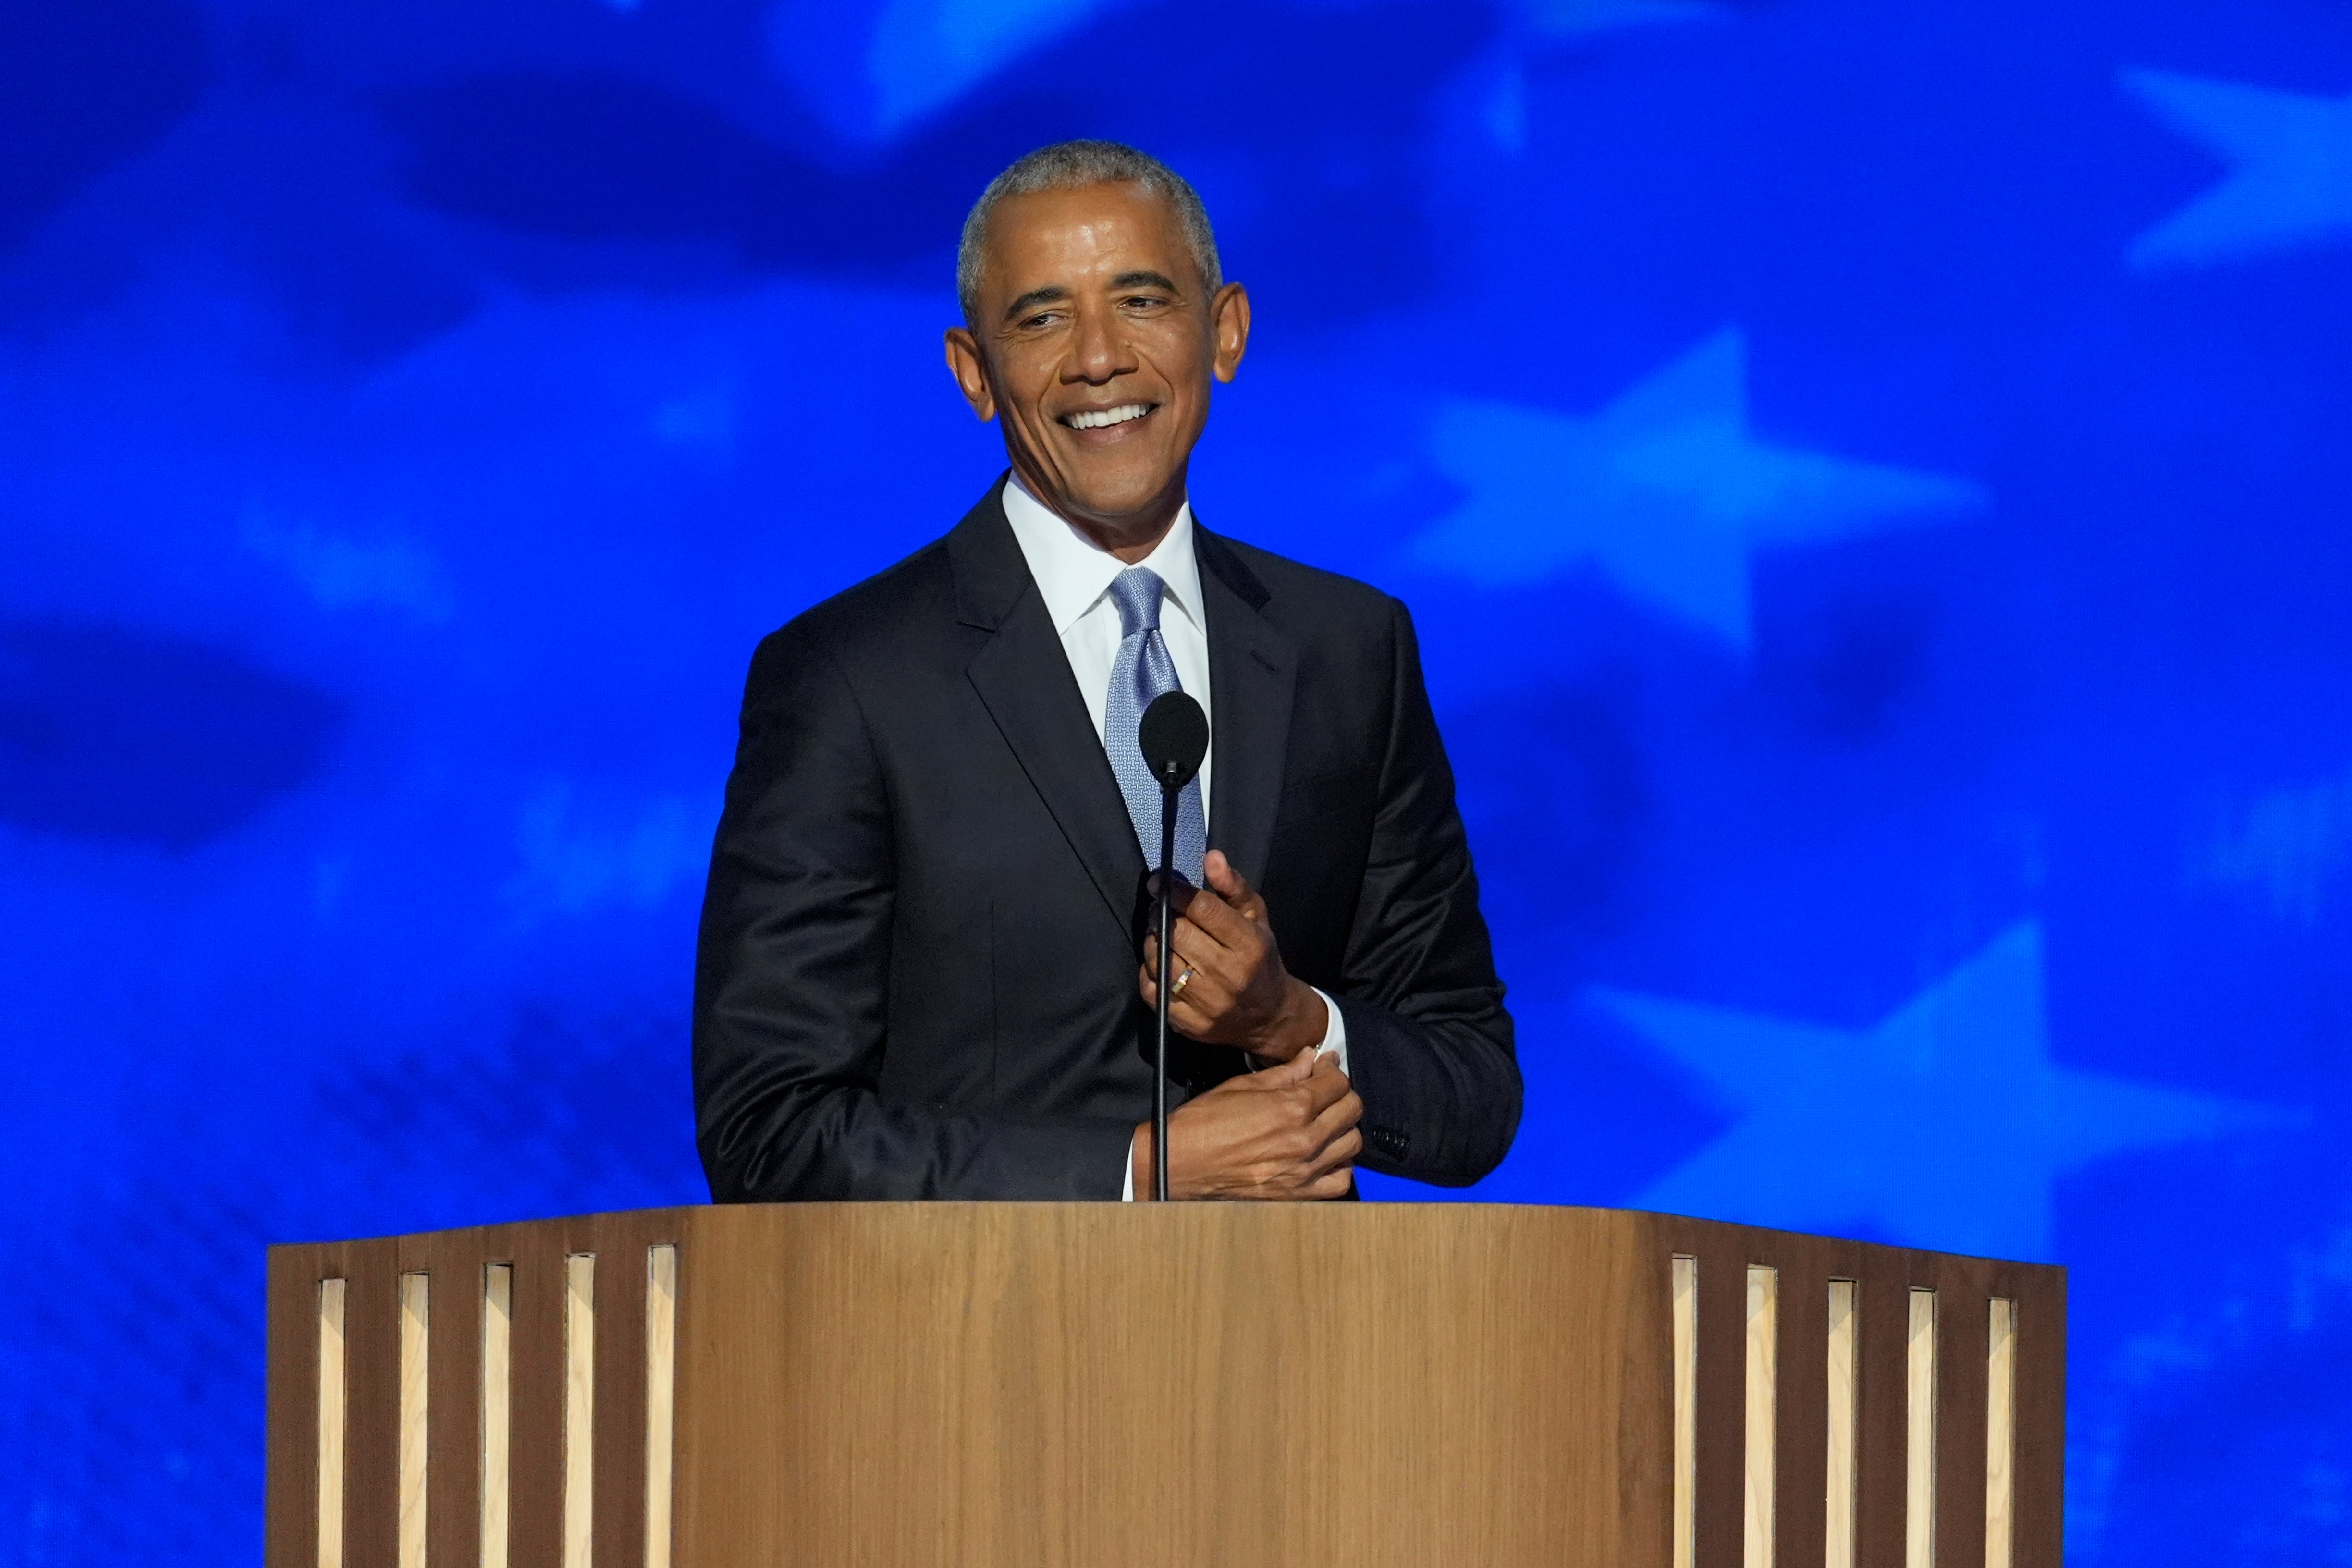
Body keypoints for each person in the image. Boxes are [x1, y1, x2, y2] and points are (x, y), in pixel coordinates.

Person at [693, 140, 1518, 1201]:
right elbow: (771, 1133)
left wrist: (1288, 1020)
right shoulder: (850, 679)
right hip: (985, 1351)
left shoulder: (1351, 648)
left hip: (1307, 1345)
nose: (1098, 359)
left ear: (1224, 332)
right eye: (1041, 319)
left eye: (1141, 302)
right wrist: (1140, 1174)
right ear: (974, 373)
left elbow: (1474, 1090)